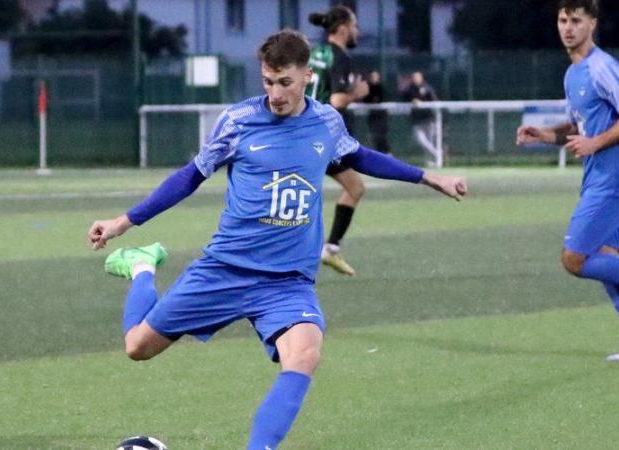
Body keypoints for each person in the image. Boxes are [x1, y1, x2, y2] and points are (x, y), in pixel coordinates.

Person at [88, 30, 467, 449]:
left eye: (284, 82)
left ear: (306, 76)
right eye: (268, 82)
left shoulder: (326, 121)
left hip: (286, 282)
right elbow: (189, 176)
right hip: (226, 268)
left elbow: (361, 157)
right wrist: (126, 221)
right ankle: (142, 267)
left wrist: (430, 177)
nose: (275, 93)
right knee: (137, 347)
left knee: (304, 354)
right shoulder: (239, 121)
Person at [516, 0, 619, 362]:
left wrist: (594, 143)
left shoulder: (603, 67)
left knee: (574, 259)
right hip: (597, 176)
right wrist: (544, 134)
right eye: (562, 19)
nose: (567, 27)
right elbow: (582, 128)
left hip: (614, 175)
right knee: (604, 259)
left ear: (592, 23)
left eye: (576, 20)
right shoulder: (572, 73)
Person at [307, 5, 369, 276]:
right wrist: (359, 91)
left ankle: (330, 249)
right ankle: (324, 250)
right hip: (318, 135)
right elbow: (336, 100)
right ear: (343, 26)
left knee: (354, 186)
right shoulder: (339, 56)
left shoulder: (313, 52)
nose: (357, 31)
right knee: (352, 188)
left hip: (301, 127)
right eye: (354, 26)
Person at [403, 71, 442, 166]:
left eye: (417, 77)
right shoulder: (409, 89)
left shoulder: (427, 88)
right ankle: (437, 154)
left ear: (421, 78)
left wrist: (422, 102)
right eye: (414, 77)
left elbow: (433, 101)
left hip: (429, 118)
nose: (415, 79)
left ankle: (433, 161)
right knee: (420, 139)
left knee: (430, 140)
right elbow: (404, 99)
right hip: (417, 119)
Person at [364, 70, 391, 154]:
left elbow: (384, 99)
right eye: (372, 77)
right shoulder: (367, 88)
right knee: (374, 137)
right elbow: (365, 100)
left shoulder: (381, 88)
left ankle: (387, 153)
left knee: (382, 136)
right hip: (373, 117)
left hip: (382, 117)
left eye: (375, 76)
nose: (374, 79)